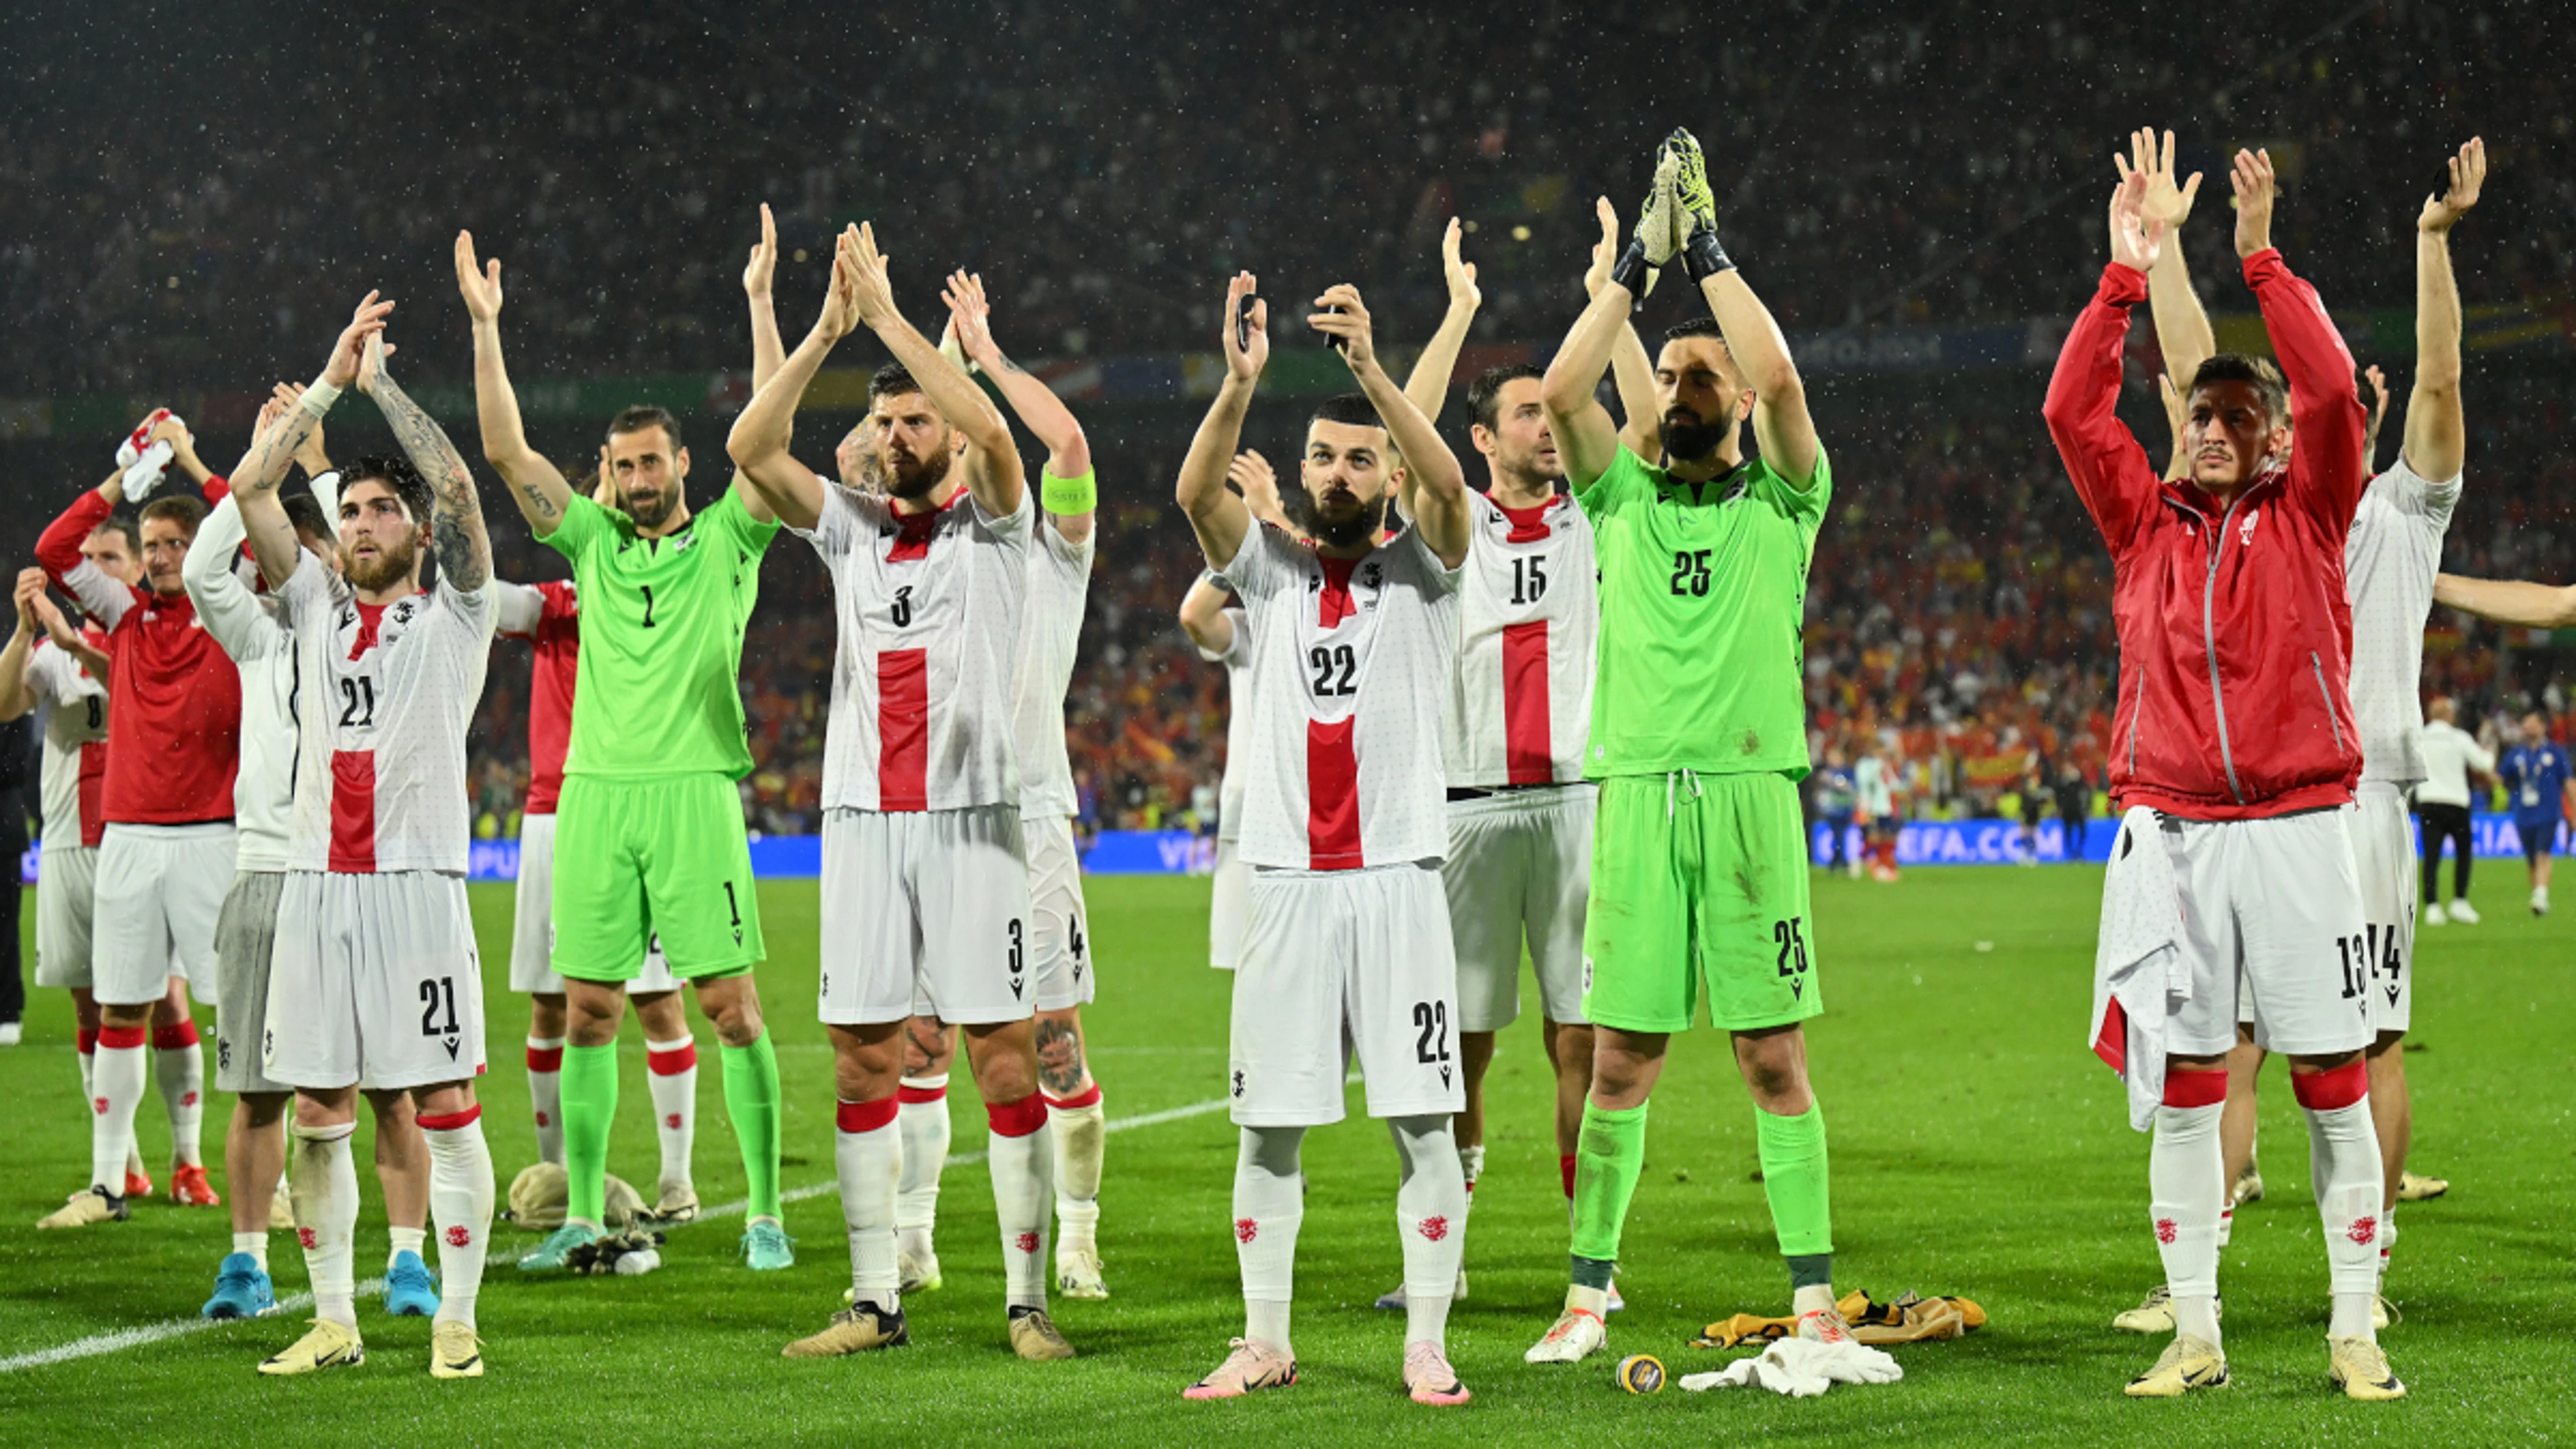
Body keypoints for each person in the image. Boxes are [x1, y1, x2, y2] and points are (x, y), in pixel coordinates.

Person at [2114, 129, 2482, 1336]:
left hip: (2359, 801)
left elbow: (2439, 381)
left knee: (2364, 1041)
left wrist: (2429, 246)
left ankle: (2364, 1270)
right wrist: (2161, 250)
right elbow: (2188, 370)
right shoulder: (2248, 512)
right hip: (2259, 801)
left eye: (2349, 404)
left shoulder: (2399, 514)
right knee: (2224, 1043)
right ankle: (2198, 1276)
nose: (2347, 414)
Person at [2045, 142, 2398, 1399]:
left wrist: (2259, 251)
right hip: (2177, 835)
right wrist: (2121, 281)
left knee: (2328, 1084)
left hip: (2304, 827)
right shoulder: (2141, 521)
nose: (2211, 428)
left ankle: (2355, 1324)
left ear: (2274, 438)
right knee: (2190, 1092)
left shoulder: (2312, 509)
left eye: (2238, 415)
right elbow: (2069, 415)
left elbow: (2334, 396)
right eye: (2199, 412)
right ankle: (2197, 1332)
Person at [1520, 130, 1856, 1373]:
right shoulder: (1619, 499)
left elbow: (1779, 376)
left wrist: (1705, 253)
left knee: (1773, 1057)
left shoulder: (1785, 496)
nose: (1685, 381)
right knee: (1620, 1060)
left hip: (1752, 794)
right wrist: (1635, 280)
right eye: (1667, 372)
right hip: (1637, 799)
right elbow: (1560, 398)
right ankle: (1588, 1295)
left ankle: (1813, 1296)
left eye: (1702, 372)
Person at [728, 223, 1071, 1362]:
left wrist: (888, 318)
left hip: (976, 819)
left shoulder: (999, 523)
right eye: (880, 420)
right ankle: (875, 1301)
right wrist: (826, 324)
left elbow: (987, 425)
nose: (894, 433)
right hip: (863, 821)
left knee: (1002, 1056)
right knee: (865, 1054)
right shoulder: (848, 530)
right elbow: (749, 443)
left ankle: (1025, 1303)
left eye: (912, 418)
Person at [458, 225, 790, 1273]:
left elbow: (770, 441)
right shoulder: (592, 542)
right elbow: (508, 452)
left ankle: (766, 1211)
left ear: (683, 464)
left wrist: (762, 304)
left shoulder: (732, 535)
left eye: (654, 461)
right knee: (591, 1010)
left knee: (732, 1009)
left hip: (694, 791)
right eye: (622, 464)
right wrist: (485, 328)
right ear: (603, 475)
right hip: (595, 797)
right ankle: (582, 1216)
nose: (640, 477)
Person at [1171, 266, 1475, 1407]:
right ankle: (1265, 1339)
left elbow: (1447, 484)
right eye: (1323, 457)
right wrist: (1240, 385)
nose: (1339, 473)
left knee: (1420, 1121)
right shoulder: (1273, 569)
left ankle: (1427, 1340)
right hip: (1289, 885)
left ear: (1384, 472)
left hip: (1398, 880)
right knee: (1269, 1128)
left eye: (1359, 458)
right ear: (1298, 473)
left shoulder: (1429, 572)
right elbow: (1201, 489)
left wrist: (1369, 374)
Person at [236, 299, 500, 1379]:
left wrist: (383, 384)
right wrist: (327, 384)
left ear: (418, 532)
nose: (363, 524)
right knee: (318, 1112)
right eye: (351, 510)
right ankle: (335, 1318)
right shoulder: (307, 608)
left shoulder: (457, 615)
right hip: (316, 887)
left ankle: (458, 1324)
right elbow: (255, 488)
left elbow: (466, 490)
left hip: (416, 890)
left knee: (443, 1106)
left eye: (384, 510)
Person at [184, 390, 441, 1322]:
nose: (310, 561)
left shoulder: (384, 640)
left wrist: (316, 468)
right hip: (268, 877)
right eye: (292, 551)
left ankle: (408, 1260)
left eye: (327, 543)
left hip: (367, 879)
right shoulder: (259, 638)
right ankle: (247, 1262)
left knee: (394, 1090)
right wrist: (262, 452)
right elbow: (209, 569)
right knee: (257, 1092)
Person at [32, 413, 240, 1228]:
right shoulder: (122, 619)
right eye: (149, 545)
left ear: (201, 550)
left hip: (211, 838)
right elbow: (55, 552)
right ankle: (108, 1183)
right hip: (126, 836)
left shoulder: (229, 610)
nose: (157, 558)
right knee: (122, 1009)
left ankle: (260, 1166)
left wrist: (190, 457)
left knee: (239, 1010)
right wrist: (130, 477)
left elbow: (256, 542)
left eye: (172, 545)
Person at [1, 546, 151, 1195]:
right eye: (83, 557)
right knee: (89, 1008)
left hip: (145, 841)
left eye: (108, 557)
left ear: (136, 571)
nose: (89, 566)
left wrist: (71, 639)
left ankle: (191, 1159)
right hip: (69, 845)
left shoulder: (156, 640)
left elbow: (133, 686)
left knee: (164, 1001)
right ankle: (124, 1164)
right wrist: (25, 633)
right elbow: (5, 704)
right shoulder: (56, 653)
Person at [2412, 696, 2491, 924]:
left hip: (2428, 801)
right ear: (2449, 715)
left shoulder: (2420, 738)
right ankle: (2459, 901)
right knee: (2463, 853)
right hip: (2456, 802)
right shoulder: (2459, 738)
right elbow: (2484, 765)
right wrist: (2490, 751)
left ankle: (2433, 906)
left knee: (2431, 857)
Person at [2498, 712, 2573, 915]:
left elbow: (2568, 782)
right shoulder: (2515, 754)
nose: (2528, 728)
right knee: (2531, 858)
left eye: (2532, 724)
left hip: (2549, 812)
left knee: (2543, 854)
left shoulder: (2556, 753)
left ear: (2542, 727)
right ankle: (2539, 898)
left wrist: (2574, 810)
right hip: (2523, 814)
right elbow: (2500, 778)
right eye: (2526, 724)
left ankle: (2540, 895)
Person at [1813, 745, 1858, 873]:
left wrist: (1833, 782)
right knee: (1837, 835)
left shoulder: (1847, 772)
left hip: (1845, 809)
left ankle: (1838, 861)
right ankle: (1839, 861)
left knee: (1840, 835)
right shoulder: (1827, 772)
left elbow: (1850, 788)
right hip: (1832, 810)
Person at [2053, 761, 2095, 863]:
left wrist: (2076, 777)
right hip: (2067, 811)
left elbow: (2084, 790)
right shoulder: (2062, 781)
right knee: (2068, 833)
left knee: (2082, 831)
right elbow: (2058, 795)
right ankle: (2072, 854)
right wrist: (2059, 808)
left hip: (2078, 809)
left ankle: (2078, 852)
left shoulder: (2078, 779)